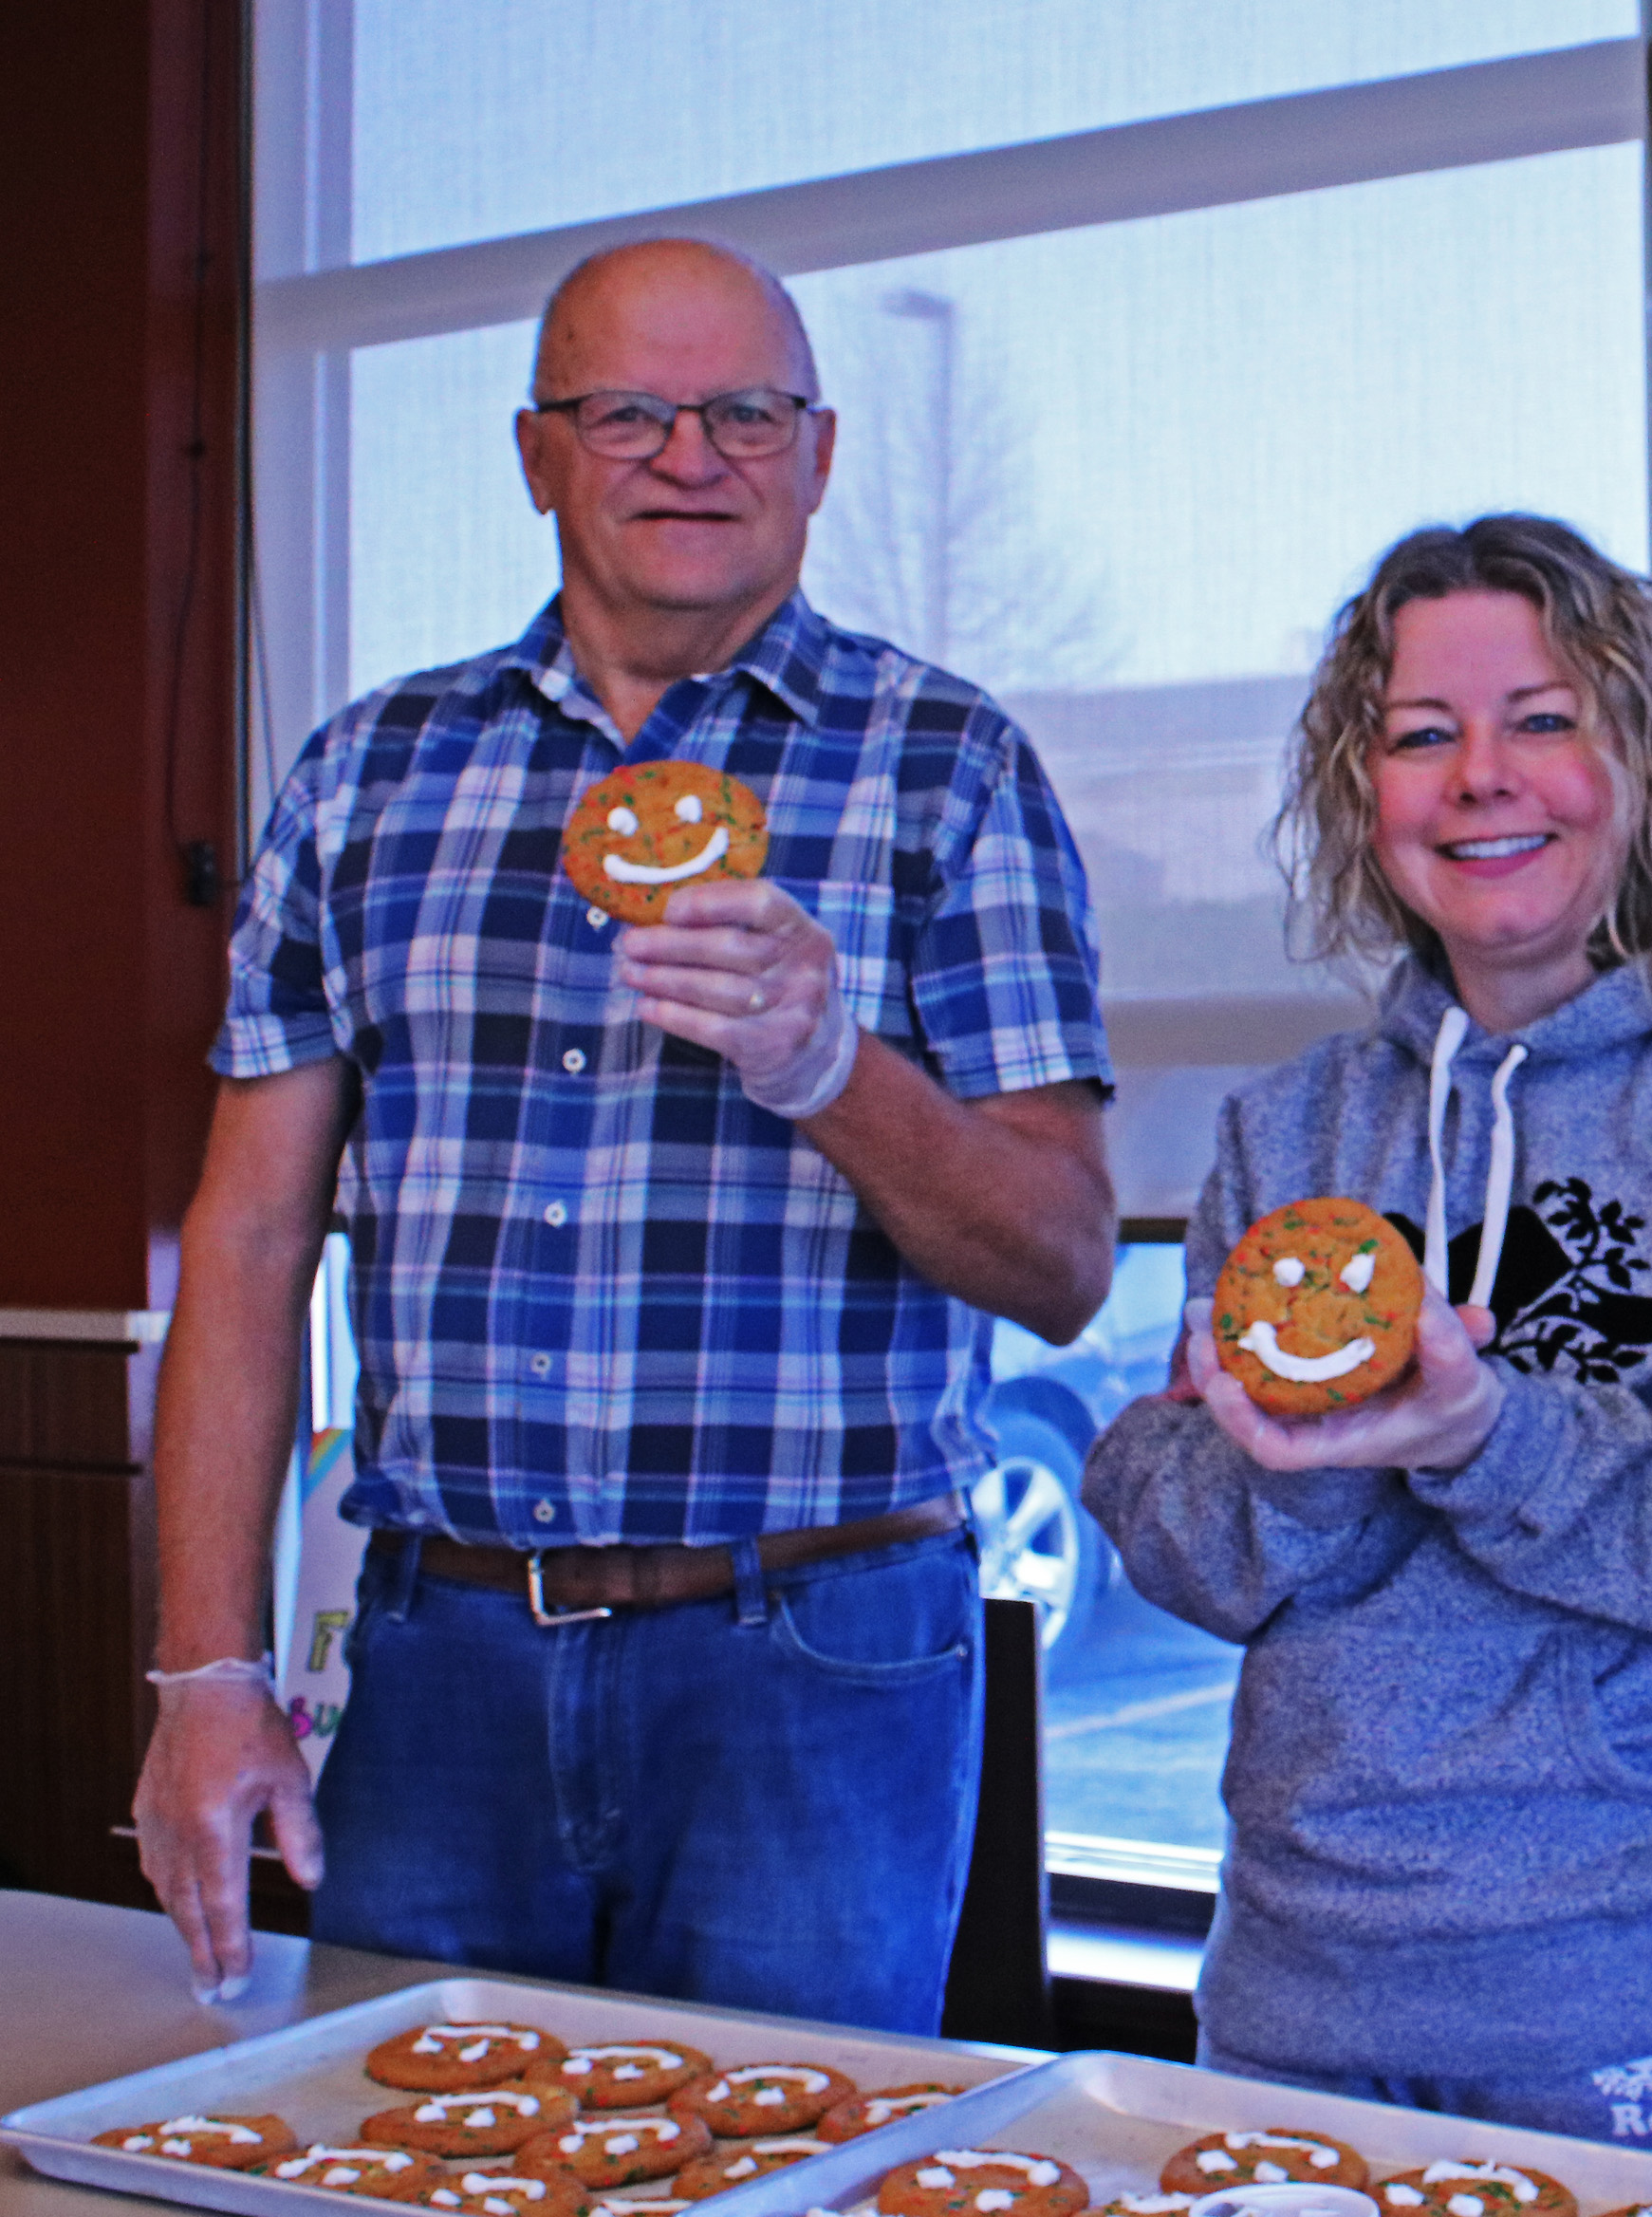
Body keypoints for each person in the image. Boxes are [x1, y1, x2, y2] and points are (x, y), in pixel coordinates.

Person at [131, 237, 1117, 2029]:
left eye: (746, 412)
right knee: (406, 2198)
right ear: (536, 454)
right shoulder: (368, 774)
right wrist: (207, 1669)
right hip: (439, 1656)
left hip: (818, 1657)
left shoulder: (949, 768)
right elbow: (255, 1245)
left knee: (779, 2206)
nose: (691, 454)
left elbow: (1058, 1264)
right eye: (630, 411)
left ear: (818, 457)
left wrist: (831, 1063)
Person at [1080, 514, 1652, 2183]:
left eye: (1544, 718)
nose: (1483, 776)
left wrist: (1480, 1431)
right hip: (1301, 1995)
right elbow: (1206, 1554)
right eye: (1423, 735)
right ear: (1366, 797)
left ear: (1648, 762)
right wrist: (1288, 1465)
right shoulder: (1293, 1131)